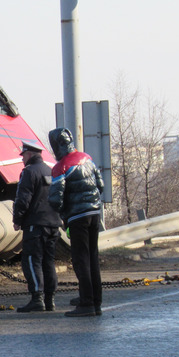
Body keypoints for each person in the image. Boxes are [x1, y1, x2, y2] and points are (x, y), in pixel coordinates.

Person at [47, 128, 105, 317]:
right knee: (92, 258)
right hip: (95, 213)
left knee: (81, 261)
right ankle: (96, 301)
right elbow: (101, 185)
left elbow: (56, 200)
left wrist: (64, 214)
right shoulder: (87, 158)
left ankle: (86, 303)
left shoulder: (60, 167)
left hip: (77, 217)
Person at [11, 140, 63, 312]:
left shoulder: (29, 173)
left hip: (35, 224)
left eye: (23, 155)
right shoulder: (51, 171)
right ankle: (50, 300)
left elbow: (23, 199)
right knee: (49, 262)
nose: (22, 159)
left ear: (29, 154)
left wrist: (17, 219)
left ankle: (37, 297)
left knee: (32, 261)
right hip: (53, 224)